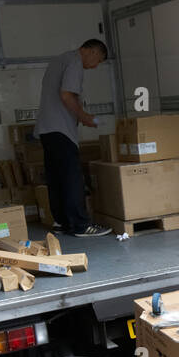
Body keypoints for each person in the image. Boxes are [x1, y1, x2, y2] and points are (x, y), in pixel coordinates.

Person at [36, 38, 112, 237]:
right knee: (72, 177)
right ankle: (81, 224)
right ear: (92, 52)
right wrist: (84, 117)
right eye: (98, 61)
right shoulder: (75, 62)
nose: (95, 66)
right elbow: (67, 95)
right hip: (61, 129)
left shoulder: (59, 60)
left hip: (46, 128)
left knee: (56, 177)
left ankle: (62, 222)